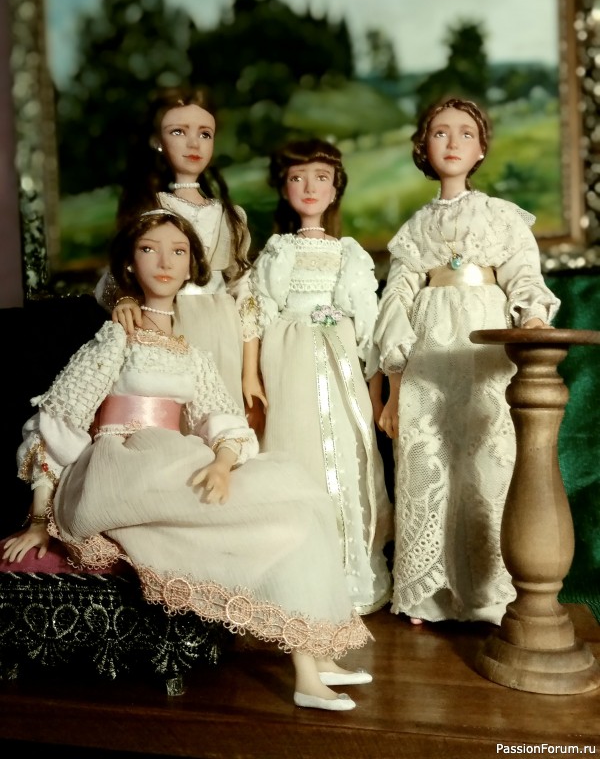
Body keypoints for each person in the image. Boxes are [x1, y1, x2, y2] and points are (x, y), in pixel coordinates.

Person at [4, 209, 373, 711]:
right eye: (149, 250)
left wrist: (221, 463)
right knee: (279, 512)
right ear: (129, 264)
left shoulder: (190, 354)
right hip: (118, 473)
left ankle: (314, 661)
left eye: (178, 252)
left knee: (300, 504)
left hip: (173, 463)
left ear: (191, 266)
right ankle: (308, 672)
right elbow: (58, 421)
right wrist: (38, 521)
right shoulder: (117, 337)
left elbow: (223, 420)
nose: (165, 262)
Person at [374, 97, 561, 626]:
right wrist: (394, 381)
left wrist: (532, 316)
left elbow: (523, 273)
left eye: (465, 133)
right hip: (430, 349)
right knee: (428, 455)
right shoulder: (415, 227)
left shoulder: (500, 216)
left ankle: (490, 593)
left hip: (484, 342)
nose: (452, 142)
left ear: (480, 150)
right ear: (424, 147)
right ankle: (427, 593)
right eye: (440, 133)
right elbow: (397, 299)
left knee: (488, 456)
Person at [241, 138, 393, 615]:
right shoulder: (278, 251)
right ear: (284, 188)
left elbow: (368, 328)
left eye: (321, 178)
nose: (310, 188)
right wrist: (253, 377)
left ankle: (351, 573)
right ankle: (297, 575)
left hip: (340, 359)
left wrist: (374, 394)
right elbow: (257, 313)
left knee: (349, 455)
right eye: (297, 178)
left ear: (335, 189)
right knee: (296, 448)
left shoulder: (349, 253)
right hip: (289, 361)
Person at [95, 85, 251, 409]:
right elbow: (118, 274)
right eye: (178, 132)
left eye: (205, 134)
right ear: (158, 141)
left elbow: (243, 288)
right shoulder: (151, 210)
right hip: (166, 319)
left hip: (224, 327)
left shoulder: (231, 216)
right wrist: (126, 297)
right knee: (172, 406)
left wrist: (252, 369)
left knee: (220, 410)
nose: (194, 143)